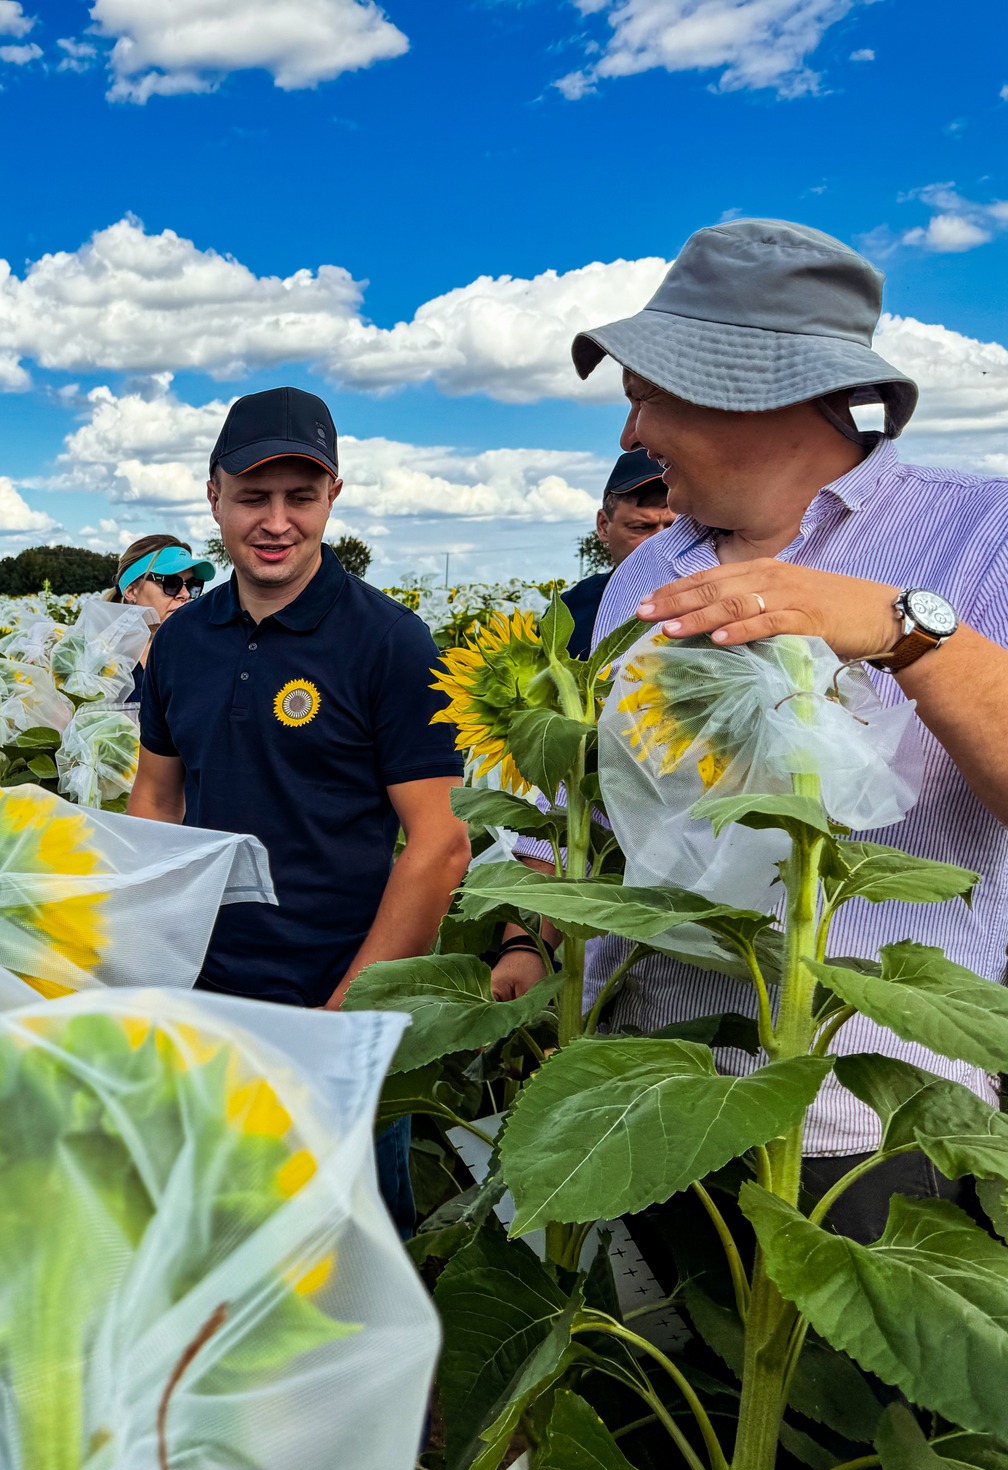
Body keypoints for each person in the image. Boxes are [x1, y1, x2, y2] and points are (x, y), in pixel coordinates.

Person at [496, 217, 1008, 1243]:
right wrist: (531, 941)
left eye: (643, 395)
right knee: (660, 1393)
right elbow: (600, 810)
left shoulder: (978, 532)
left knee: (840, 1402)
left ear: (752, 385)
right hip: (649, 1086)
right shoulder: (646, 573)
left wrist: (895, 629)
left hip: (860, 1123)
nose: (627, 436)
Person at [128, 385, 471, 1011]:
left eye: (302, 498)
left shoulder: (389, 641)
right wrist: (148, 951)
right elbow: (155, 798)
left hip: (334, 990)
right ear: (214, 498)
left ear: (332, 497)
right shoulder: (180, 641)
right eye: (253, 498)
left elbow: (440, 841)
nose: (277, 523)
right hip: (194, 987)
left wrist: (341, 1015)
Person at [560, 448, 672, 656]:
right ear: (603, 526)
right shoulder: (569, 614)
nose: (660, 541)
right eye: (641, 527)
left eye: (674, 527)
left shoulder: (721, 600)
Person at [105, 533, 214, 700]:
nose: (185, 594)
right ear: (131, 590)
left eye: (193, 585)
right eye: (171, 583)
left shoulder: (200, 653)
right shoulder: (97, 653)